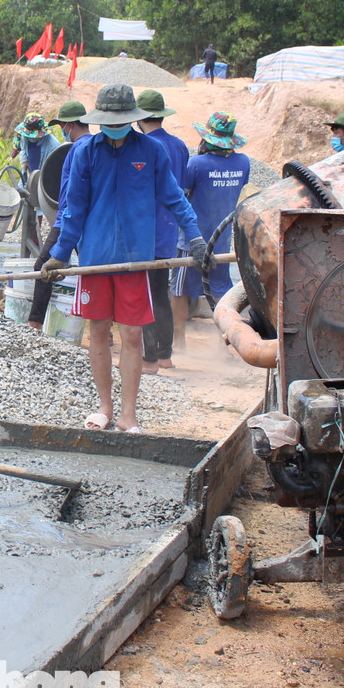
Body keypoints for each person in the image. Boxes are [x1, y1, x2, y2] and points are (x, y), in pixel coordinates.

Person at [42, 84, 207, 434]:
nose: (114, 127)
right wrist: (59, 254)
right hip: (95, 259)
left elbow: (174, 198)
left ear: (132, 119)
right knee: (98, 331)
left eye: (121, 121)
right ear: (99, 120)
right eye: (108, 121)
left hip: (135, 258)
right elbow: (74, 207)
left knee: (132, 336)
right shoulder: (85, 153)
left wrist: (193, 235)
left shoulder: (152, 151)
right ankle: (104, 406)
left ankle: (128, 415)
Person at [172, 113, 252, 346]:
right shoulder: (243, 162)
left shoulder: (197, 164)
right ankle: (222, 344)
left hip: (191, 239)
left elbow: (183, 191)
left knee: (179, 291)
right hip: (223, 241)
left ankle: (179, 341)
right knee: (220, 293)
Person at [135, 90, 189, 374]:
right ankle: (165, 355)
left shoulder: (142, 145)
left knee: (142, 294)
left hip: (145, 230)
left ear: (140, 117)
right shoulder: (179, 146)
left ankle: (149, 360)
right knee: (160, 293)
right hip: (170, 228)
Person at [27, 101, 90, 330]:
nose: (63, 129)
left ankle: (34, 324)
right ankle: (103, 330)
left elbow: (73, 191)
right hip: (88, 220)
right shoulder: (94, 146)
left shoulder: (77, 149)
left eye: (63, 125)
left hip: (68, 219)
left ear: (71, 124)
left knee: (43, 266)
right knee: (89, 268)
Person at [9, 111, 60, 175]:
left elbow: (55, 171)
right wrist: (24, 160)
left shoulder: (53, 146)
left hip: (45, 178)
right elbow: (23, 148)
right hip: (29, 176)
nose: (32, 138)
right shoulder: (24, 137)